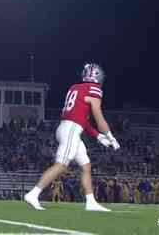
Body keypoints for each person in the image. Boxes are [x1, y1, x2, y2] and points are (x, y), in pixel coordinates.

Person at [24, 63, 120, 212]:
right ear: (97, 76)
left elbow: (82, 118)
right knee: (61, 165)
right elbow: (98, 117)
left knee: (86, 165)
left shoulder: (75, 88)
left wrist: (98, 136)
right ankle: (33, 194)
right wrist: (110, 136)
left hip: (68, 127)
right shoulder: (94, 89)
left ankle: (91, 202)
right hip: (71, 130)